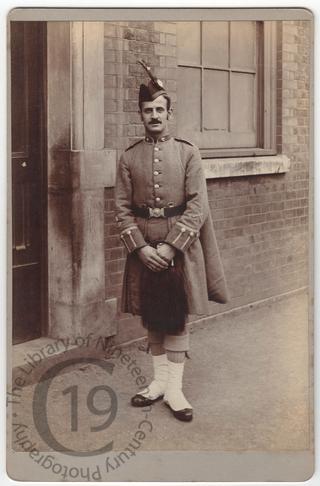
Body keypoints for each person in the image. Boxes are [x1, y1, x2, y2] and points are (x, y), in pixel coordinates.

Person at [115, 60, 229, 422]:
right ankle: (158, 383)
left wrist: (170, 246)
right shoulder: (129, 157)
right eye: (147, 111)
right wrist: (141, 248)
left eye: (159, 110)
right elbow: (120, 210)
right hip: (144, 248)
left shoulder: (188, 153)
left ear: (169, 113)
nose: (154, 116)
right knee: (152, 316)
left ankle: (175, 390)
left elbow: (198, 206)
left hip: (181, 249)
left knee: (176, 317)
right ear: (141, 115)